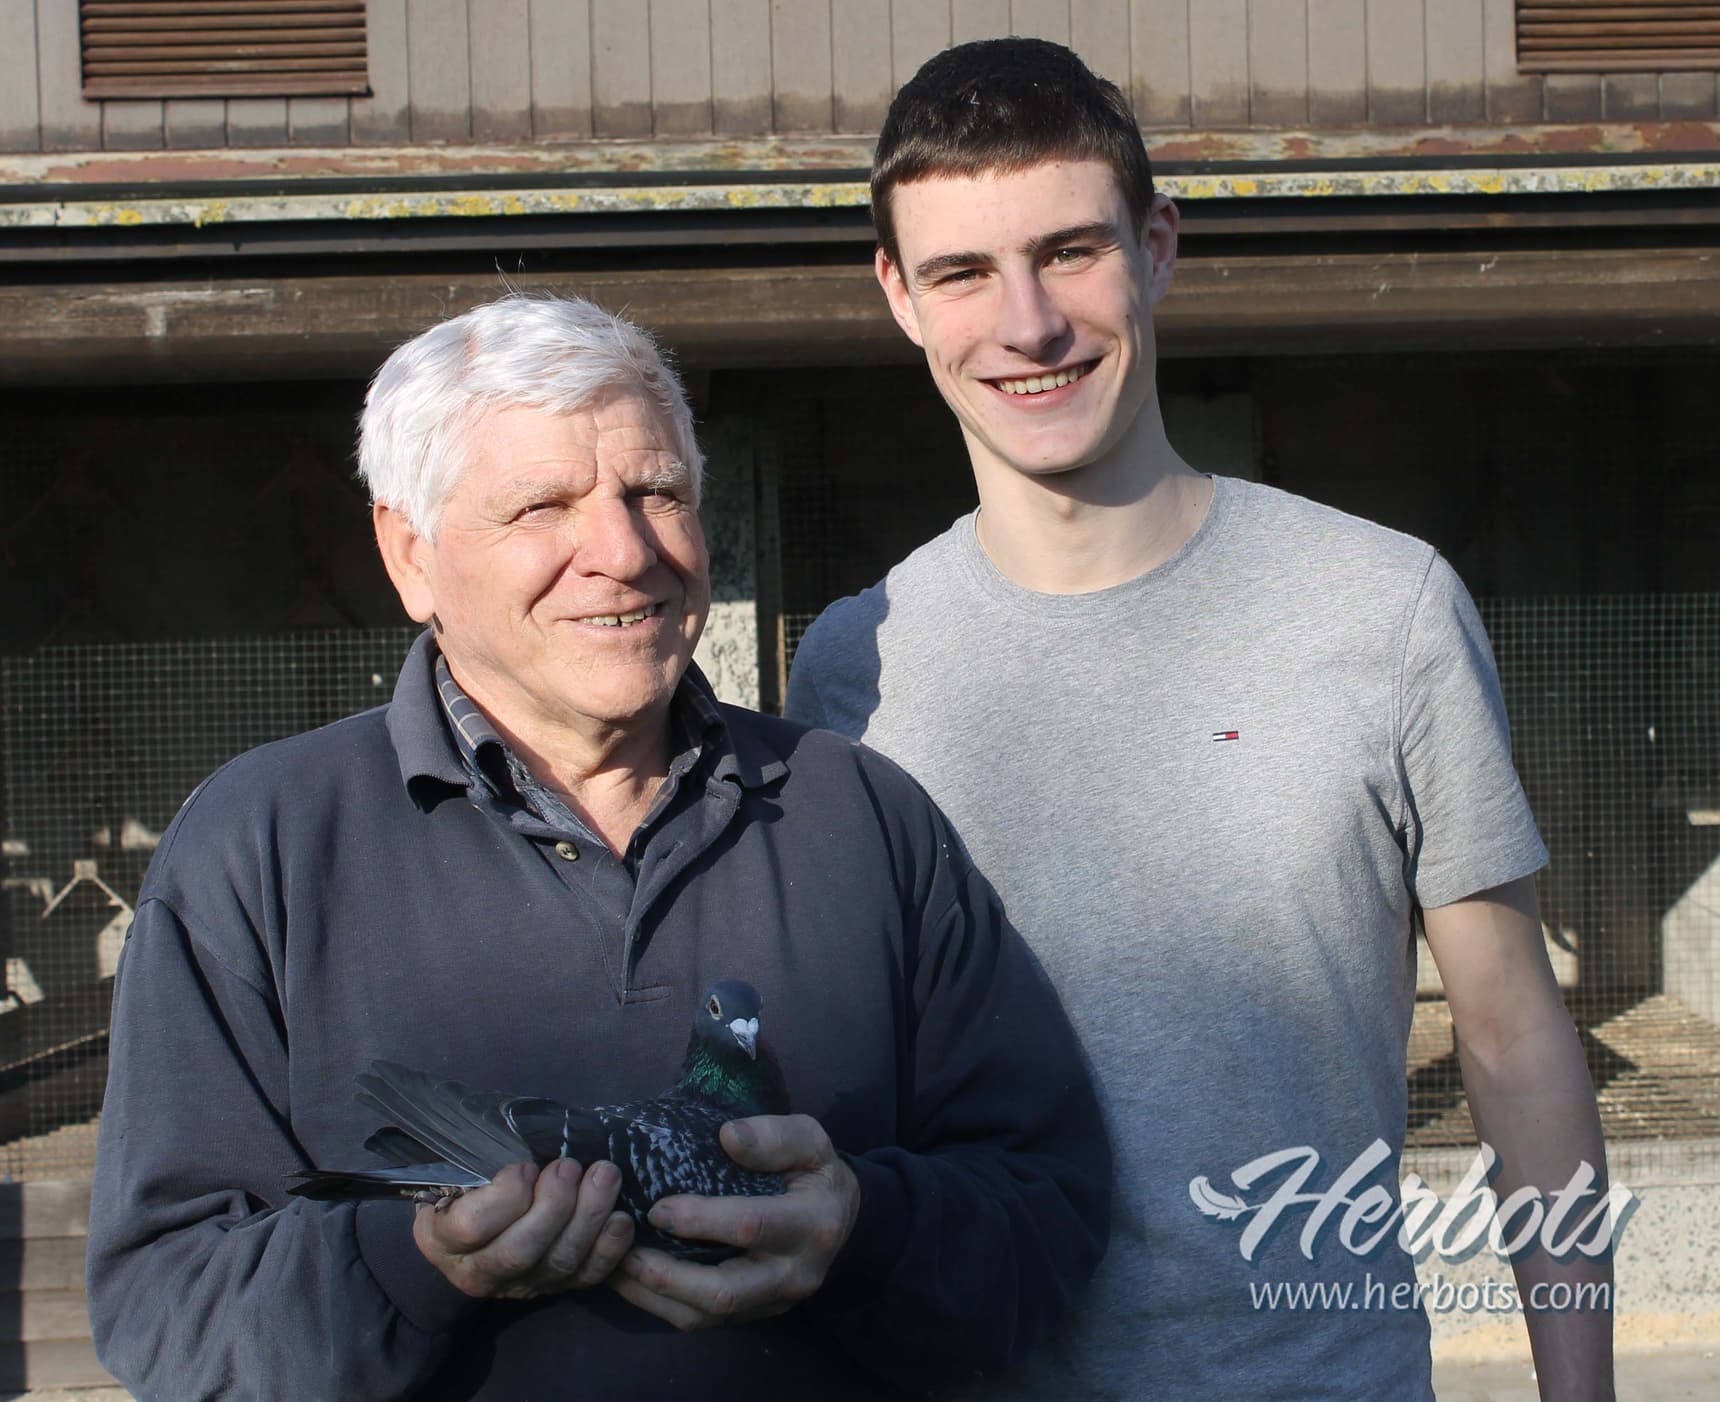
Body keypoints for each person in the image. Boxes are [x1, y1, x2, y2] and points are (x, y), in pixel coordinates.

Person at [86, 294, 1110, 1401]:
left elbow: (1045, 1219)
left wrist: (863, 1231)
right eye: (542, 507)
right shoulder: (262, 849)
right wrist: (415, 1264)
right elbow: (169, 1313)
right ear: (410, 555)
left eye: (655, 492)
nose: (622, 552)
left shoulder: (861, 816)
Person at [786, 37, 1614, 1402]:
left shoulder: (1384, 607)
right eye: (963, 271)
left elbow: (1516, 1037)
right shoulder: (852, 666)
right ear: (899, 296)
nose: (1029, 323)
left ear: (1156, 246)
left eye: (1069, 251)